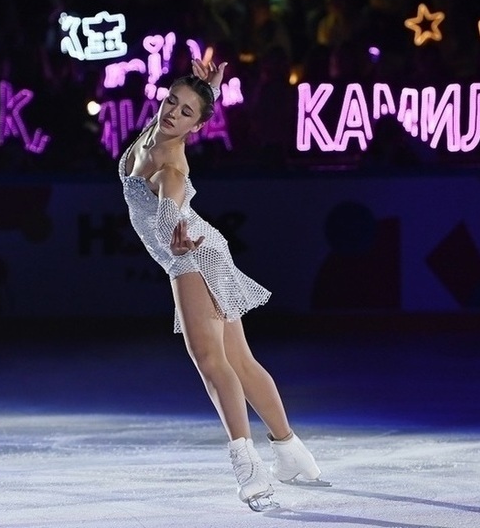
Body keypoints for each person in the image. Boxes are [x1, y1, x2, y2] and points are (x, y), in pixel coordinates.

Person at [118, 58, 329, 512]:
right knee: (240, 361)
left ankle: (249, 470)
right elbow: (183, 112)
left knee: (213, 362)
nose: (173, 113)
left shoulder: (172, 165)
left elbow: (170, 209)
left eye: (186, 112)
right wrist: (207, 90)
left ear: (196, 128)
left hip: (191, 254)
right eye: (172, 101)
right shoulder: (153, 134)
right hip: (202, 249)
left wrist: (174, 235)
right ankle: (293, 456)